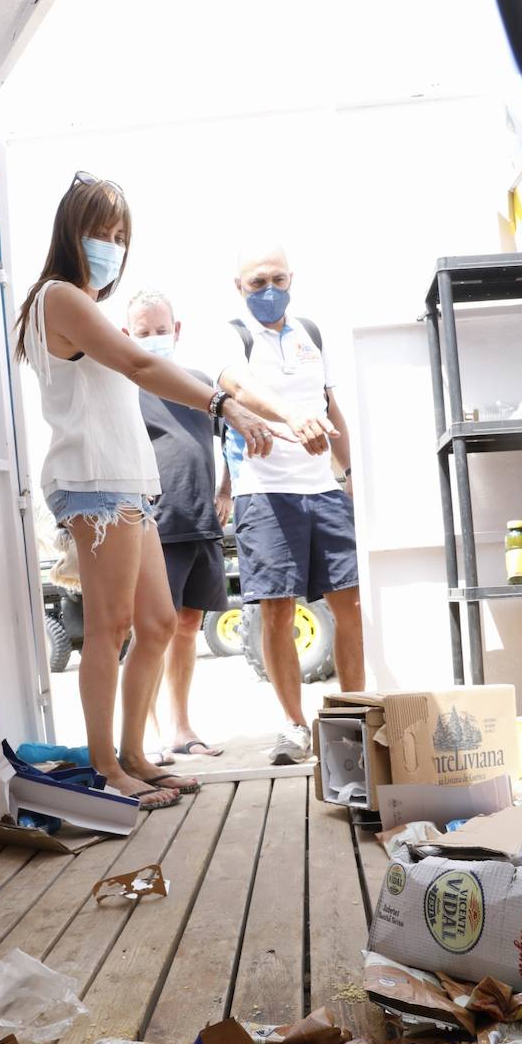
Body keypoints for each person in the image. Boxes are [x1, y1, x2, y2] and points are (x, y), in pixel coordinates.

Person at [15, 174, 278, 809]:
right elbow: (140, 365)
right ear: (69, 233)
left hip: (129, 488)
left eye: (120, 236)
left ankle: (135, 753)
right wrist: (225, 406)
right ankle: (107, 769)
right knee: (108, 628)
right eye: (100, 233)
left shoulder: (85, 305)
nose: (110, 246)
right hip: (93, 486)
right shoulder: (58, 298)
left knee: (158, 621)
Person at [215, 243, 365, 764]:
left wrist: (350, 474)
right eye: (256, 283)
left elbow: (330, 406)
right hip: (264, 491)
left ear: (291, 279)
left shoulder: (311, 334)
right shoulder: (232, 336)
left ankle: (352, 715)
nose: (268, 291)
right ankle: (294, 726)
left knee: (351, 604)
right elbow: (237, 385)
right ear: (240, 287)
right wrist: (289, 418)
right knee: (277, 611)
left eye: (277, 279)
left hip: (322, 490)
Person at [124, 288, 228, 760]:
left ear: (177, 330)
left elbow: (236, 443)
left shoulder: (201, 383)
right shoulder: (123, 389)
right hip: (152, 527)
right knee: (149, 631)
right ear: (127, 336)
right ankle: (144, 739)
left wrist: (225, 492)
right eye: (143, 333)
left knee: (188, 627)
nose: (154, 339)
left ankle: (181, 728)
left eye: (161, 330)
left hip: (201, 522)